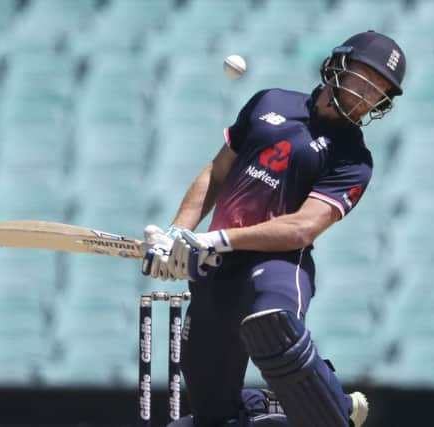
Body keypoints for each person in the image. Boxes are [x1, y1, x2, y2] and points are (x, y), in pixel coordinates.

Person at [142, 30, 406, 427]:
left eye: (379, 92)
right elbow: (217, 171)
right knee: (214, 414)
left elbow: (303, 227)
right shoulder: (270, 101)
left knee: (273, 323)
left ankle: (334, 407)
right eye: (365, 81)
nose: (368, 97)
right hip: (215, 272)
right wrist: (178, 232)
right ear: (340, 65)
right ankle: (272, 407)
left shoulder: (355, 159)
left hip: (277, 267)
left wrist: (220, 238)